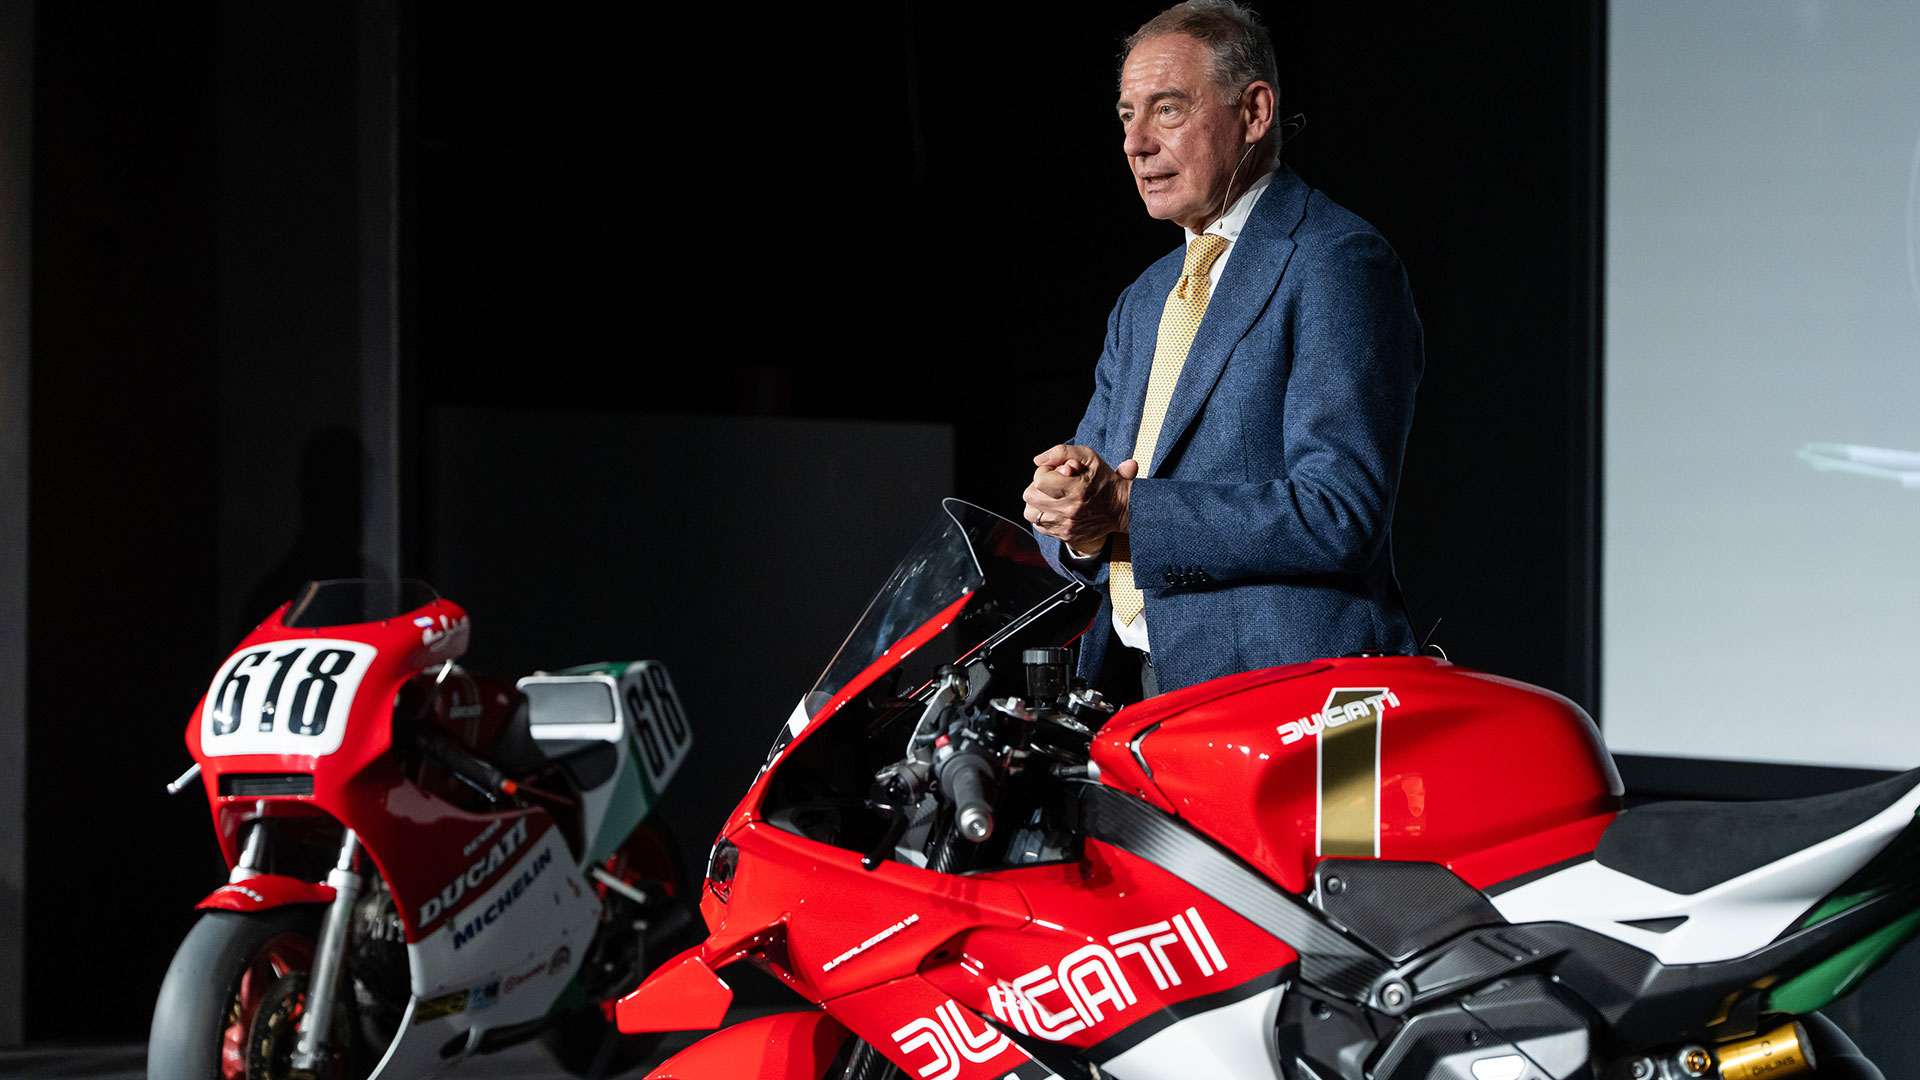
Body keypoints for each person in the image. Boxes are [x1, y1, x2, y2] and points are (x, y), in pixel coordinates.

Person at [1022, 0, 1423, 700]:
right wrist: (1070, 517)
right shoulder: (1145, 299)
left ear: (1255, 111)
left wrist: (1127, 509)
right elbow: (1094, 499)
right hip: (1136, 694)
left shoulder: (1337, 263)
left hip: (1286, 699)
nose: (1136, 143)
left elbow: (1338, 513)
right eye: (1126, 116)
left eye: (1167, 110)